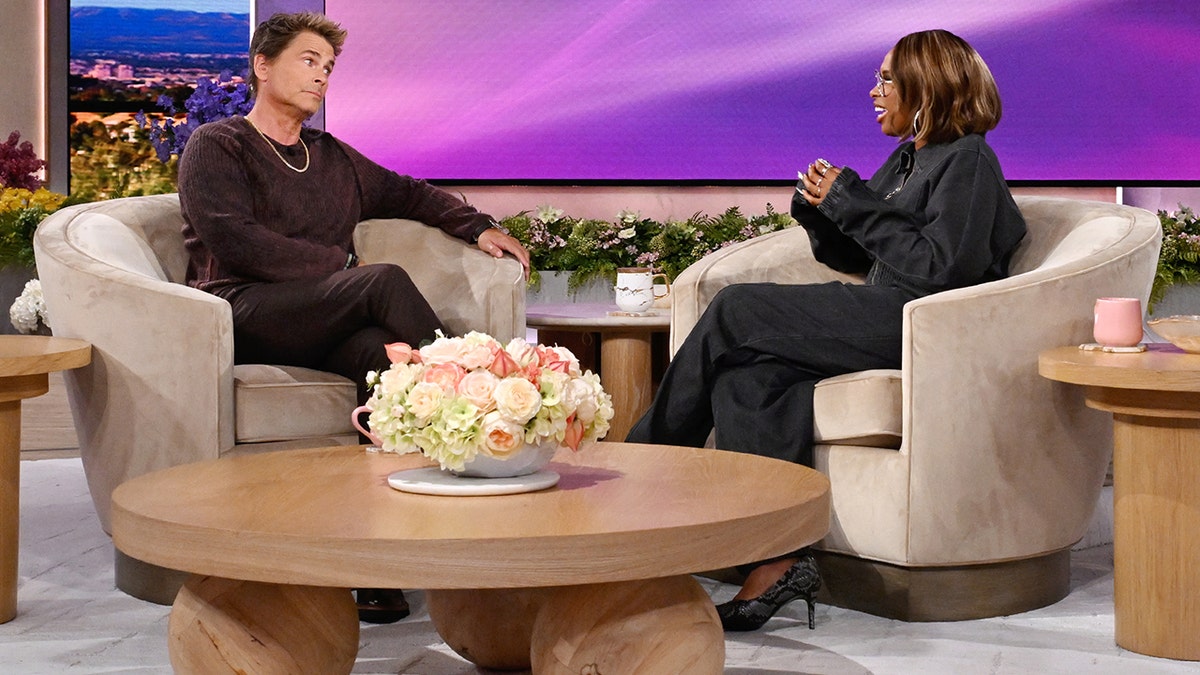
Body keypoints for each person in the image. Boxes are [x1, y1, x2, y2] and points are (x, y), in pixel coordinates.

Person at [626, 29, 1027, 632]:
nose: (874, 90)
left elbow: (944, 271)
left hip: (923, 325)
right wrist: (824, 212)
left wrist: (855, 203)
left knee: (737, 309)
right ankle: (778, 557)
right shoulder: (911, 157)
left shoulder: (968, 158)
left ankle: (639, 477)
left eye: (887, 79)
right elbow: (869, 257)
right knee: (747, 376)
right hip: (887, 308)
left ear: (926, 85)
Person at [177, 11, 530, 624]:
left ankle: (378, 565)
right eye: (308, 61)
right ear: (263, 66)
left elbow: (410, 193)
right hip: (241, 307)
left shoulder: (331, 156)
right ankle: (480, 408)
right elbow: (235, 240)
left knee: (379, 360)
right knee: (382, 281)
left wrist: (479, 226)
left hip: (319, 318)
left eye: (329, 68)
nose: (321, 77)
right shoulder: (219, 144)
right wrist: (339, 268)